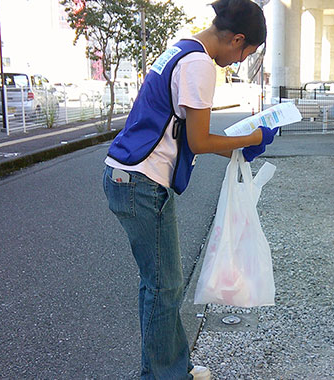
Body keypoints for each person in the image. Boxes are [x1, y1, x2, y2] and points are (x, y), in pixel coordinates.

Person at [102, 1, 274, 379]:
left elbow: (188, 134)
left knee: (161, 286)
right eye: (246, 54)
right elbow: (197, 140)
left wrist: (243, 143)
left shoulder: (181, 48)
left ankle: (173, 367)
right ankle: (164, 375)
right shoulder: (199, 65)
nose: (240, 61)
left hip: (129, 176)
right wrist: (256, 136)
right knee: (164, 288)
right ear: (238, 40)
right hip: (141, 182)